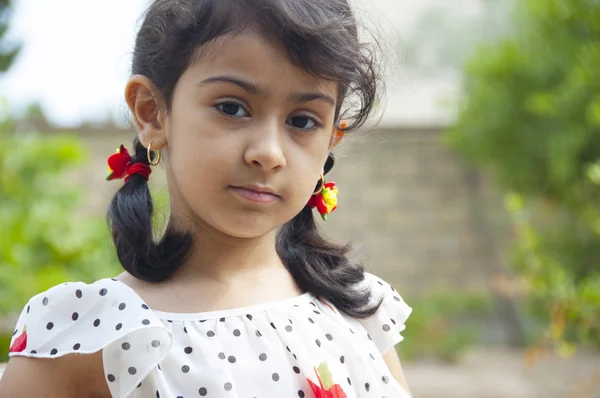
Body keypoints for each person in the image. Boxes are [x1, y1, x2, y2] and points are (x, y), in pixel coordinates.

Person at [0, 0, 413, 396]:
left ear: (330, 140)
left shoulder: (357, 312)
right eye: (232, 108)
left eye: (303, 121)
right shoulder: (90, 335)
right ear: (152, 113)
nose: (268, 152)